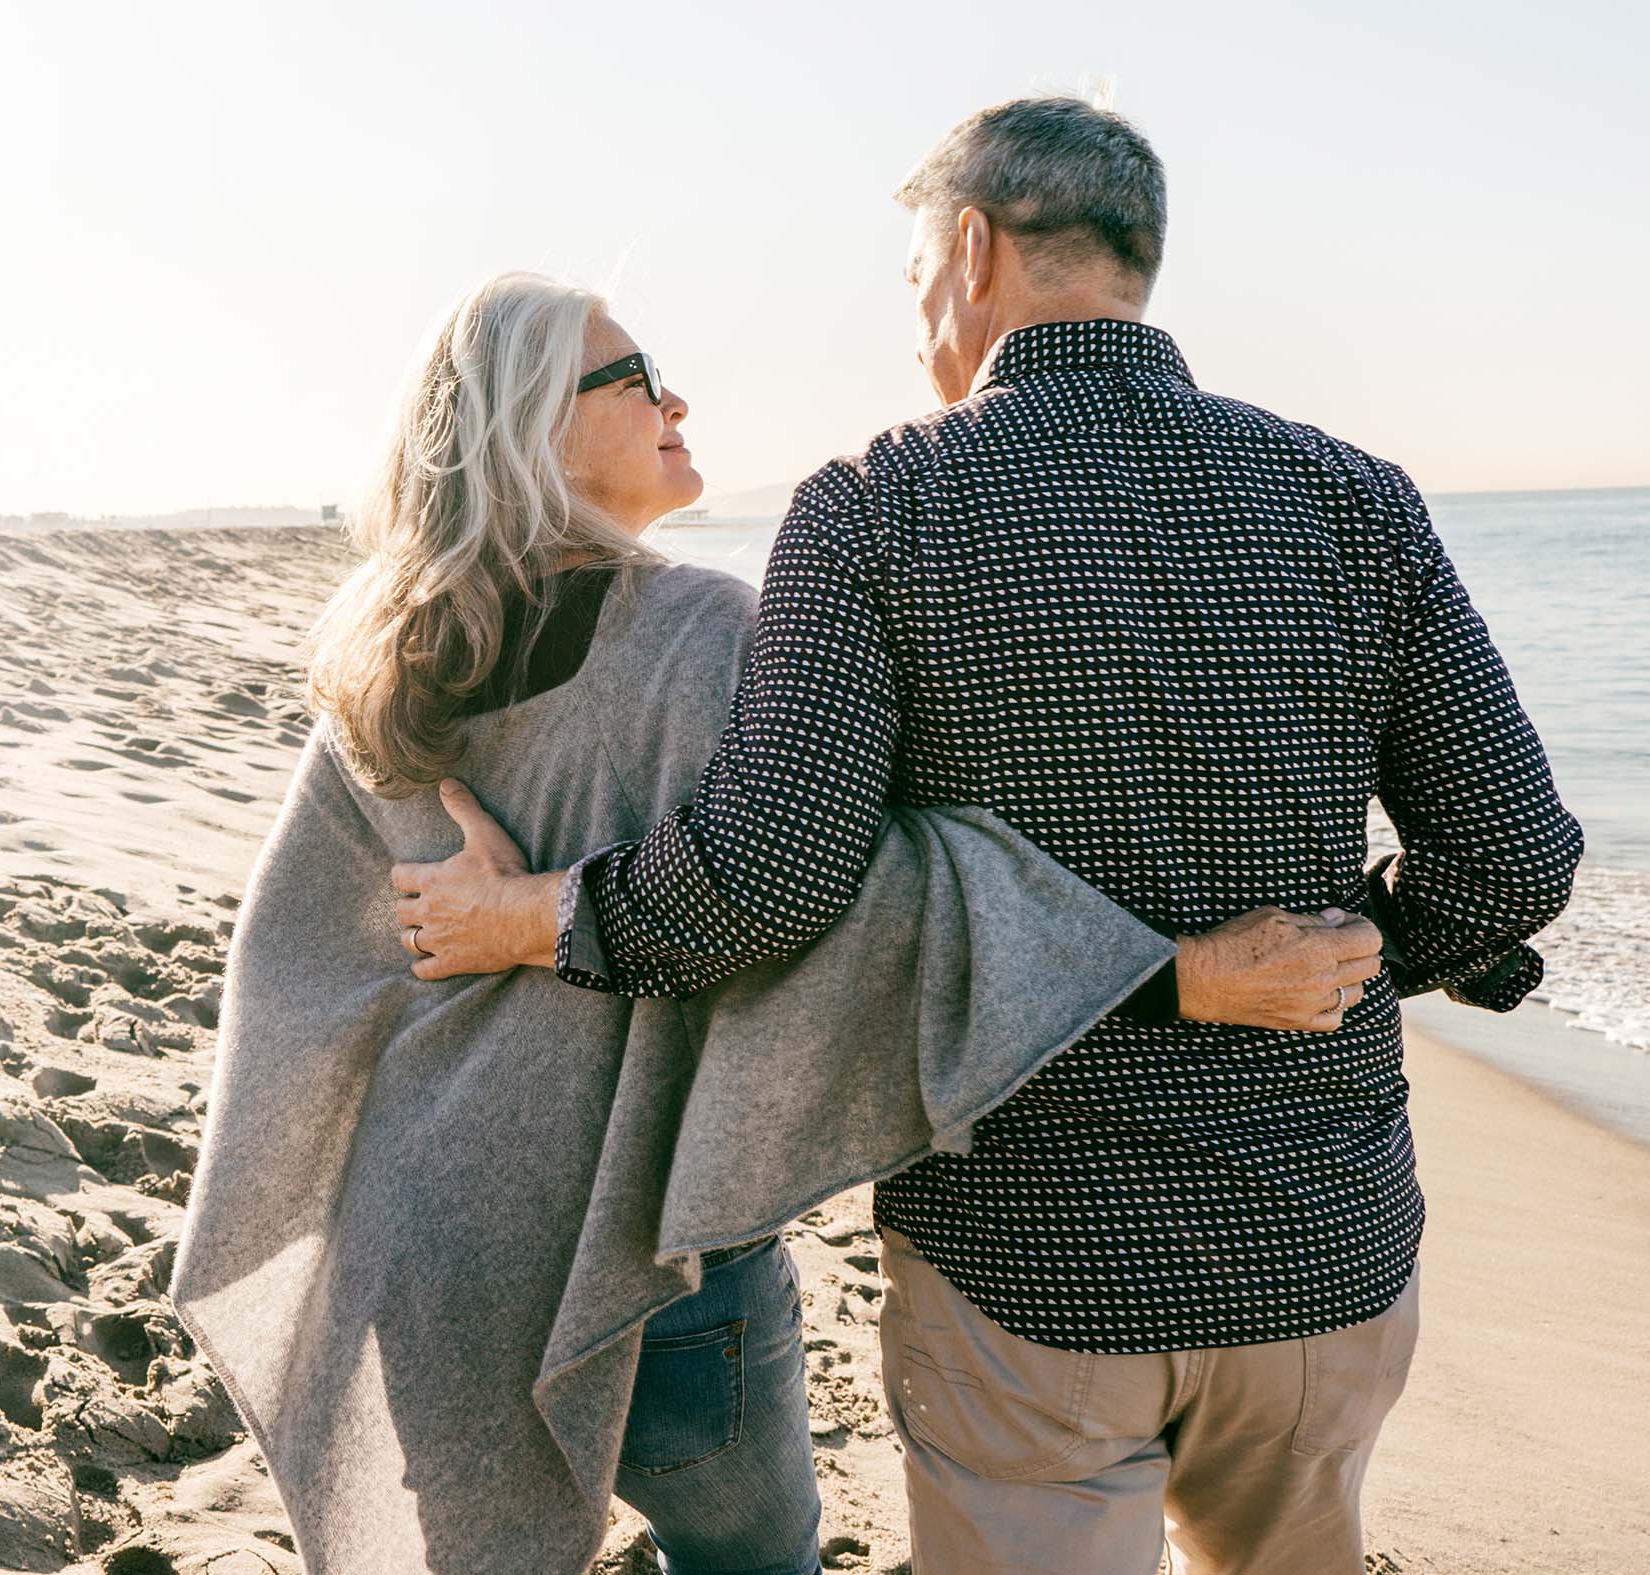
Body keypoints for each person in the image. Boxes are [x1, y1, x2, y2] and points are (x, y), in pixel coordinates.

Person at [391, 97, 1583, 1574]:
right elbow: (1516, 859)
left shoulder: (876, 506)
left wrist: (538, 917)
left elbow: (769, 879)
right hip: (1321, 1237)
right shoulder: (1353, 496)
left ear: (970, 253)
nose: (916, 329)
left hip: (1030, 1253)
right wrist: (1354, 956)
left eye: (912, 281)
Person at [170, 271, 1387, 1575]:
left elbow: (294, 965)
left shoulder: (381, 656)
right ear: (534, 427)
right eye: (635, 380)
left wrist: (471, 965)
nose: (676, 402)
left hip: (428, 1239)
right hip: (648, 1254)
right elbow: (851, 897)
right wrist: (1174, 973)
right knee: (753, 1563)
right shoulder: (700, 634)